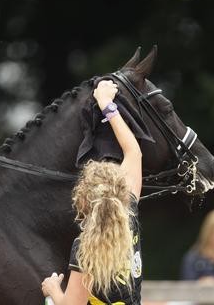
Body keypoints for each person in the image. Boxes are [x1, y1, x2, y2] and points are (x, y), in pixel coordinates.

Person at [41, 79, 144, 304]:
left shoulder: (85, 247)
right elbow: (133, 152)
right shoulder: (130, 216)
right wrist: (107, 103)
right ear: (121, 189)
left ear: (83, 198)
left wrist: (52, 289)